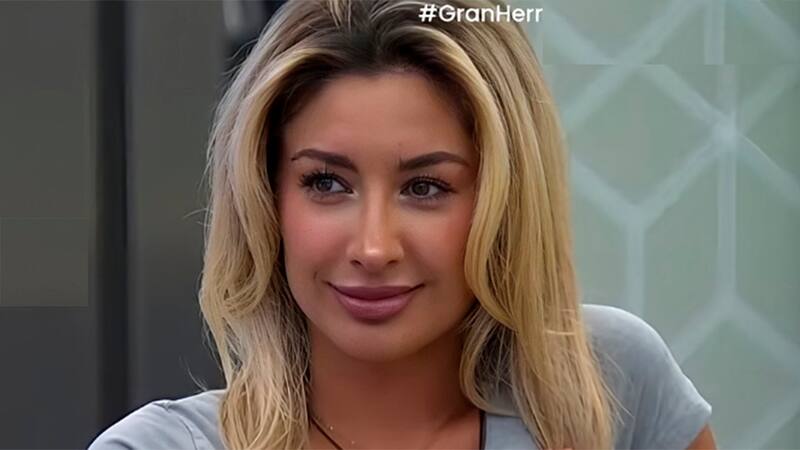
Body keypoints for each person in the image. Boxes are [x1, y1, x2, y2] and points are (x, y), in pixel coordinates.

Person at [88, 0, 716, 448]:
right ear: (266, 197)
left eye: (425, 187)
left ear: (503, 200)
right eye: (326, 183)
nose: (373, 247)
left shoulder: (609, 388)